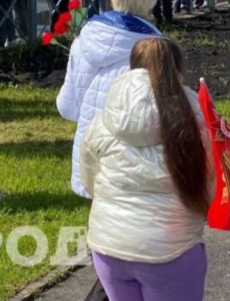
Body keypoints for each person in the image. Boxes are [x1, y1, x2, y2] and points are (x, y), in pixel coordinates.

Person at [80, 37, 212, 301]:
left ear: (132, 69)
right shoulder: (197, 118)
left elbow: (89, 179)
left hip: (109, 245)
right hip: (170, 249)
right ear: (178, 70)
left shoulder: (104, 118)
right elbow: (213, 183)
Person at [57, 0, 163, 199]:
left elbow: (67, 108)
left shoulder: (82, 42)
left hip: (89, 157)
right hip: (134, 163)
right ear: (151, 2)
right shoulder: (156, 51)